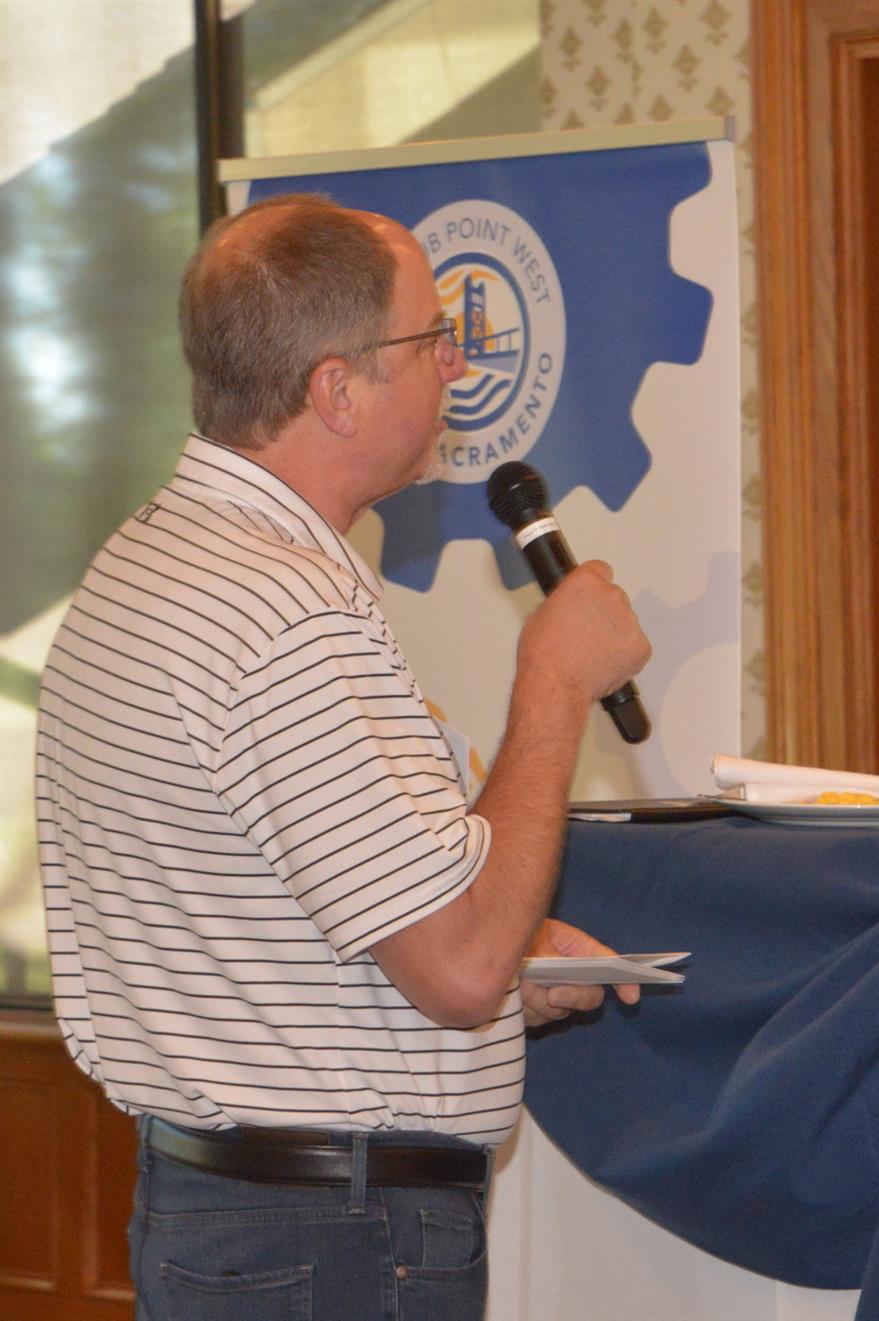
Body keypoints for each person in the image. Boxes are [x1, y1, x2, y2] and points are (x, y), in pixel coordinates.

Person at [35, 195, 652, 1317]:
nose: (458, 364)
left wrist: (507, 953)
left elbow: (263, 915)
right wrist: (556, 680)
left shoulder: (151, 558)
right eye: (431, 339)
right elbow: (456, 971)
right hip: (334, 1235)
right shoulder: (282, 614)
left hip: (234, 1211)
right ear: (336, 390)